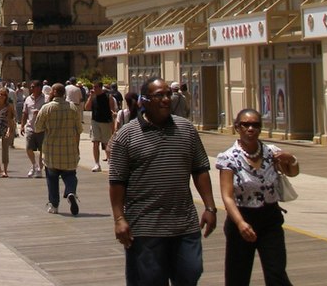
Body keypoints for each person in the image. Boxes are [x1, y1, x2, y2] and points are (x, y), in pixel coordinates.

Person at [108, 77, 218, 286]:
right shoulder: (127, 135)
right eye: (159, 95)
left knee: (191, 272)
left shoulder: (186, 129)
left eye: (168, 94)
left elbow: (200, 169)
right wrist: (119, 218)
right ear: (144, 100)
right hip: (144, 228)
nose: (166, 99)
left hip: (184, 224)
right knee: (149, 280)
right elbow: (117, 182)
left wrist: (210, 207)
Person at [217, 109, 299, 286]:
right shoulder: (228, 157)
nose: (250, 129)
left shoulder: (272, 152)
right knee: (237, 276)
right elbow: (227, 196)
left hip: (270, 218)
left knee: (276, 273)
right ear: (237, 127)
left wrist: (290, 159)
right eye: (245, 125)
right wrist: (240, 223)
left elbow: (293, 172)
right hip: (242, 218)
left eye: (255, 125)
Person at [34, 82, 83, 216]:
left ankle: (54, 205)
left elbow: (37, 128)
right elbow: (79, 129)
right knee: (70, 175)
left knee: (52, 178)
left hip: (51, 150)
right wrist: (77, 147)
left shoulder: (46, 108)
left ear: (54, 93)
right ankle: (71, 192)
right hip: (69, 149)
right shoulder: (73, 108)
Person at [85, 80, 117, 172]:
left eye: (96, 87)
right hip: (95, 121)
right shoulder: (93, 97)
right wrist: (90, 96)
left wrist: (113, 122)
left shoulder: (108, 97)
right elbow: (87, 108)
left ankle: (111, 162)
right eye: (93, 87)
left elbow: (112, 110)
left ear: (100, 87)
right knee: (95, 142)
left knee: (107, 143)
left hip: (106, 122)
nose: (94, 89)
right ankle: (97, 164)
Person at [20, 80, 46, 177]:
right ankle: (34, 165)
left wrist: (40, 112)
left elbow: (49, 112)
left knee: (42, 150)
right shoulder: (28, 99)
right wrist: (22, 125)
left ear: (39, 88)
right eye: (31, 87)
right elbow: (25, 113)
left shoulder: (45, 99)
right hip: (30, 127)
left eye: (33, 87)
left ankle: (39, 169)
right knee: (28, 148)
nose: (31, 88)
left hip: (42, 128)